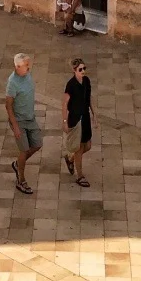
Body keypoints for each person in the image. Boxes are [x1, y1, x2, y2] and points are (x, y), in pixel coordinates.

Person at [5, 53, 42, 195]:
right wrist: (15, 126)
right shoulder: (12, 82)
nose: (29, 67)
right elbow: (8, 105)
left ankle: (18, 164)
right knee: (24, 149)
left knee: (37, 144)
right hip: (19, 120)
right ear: (18, 66)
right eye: (26, 65)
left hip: (30, 118)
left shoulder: (27, 75)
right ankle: (21, 180)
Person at [62, 57, 96, 187]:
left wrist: (94, 114)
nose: (83, 71)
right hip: (76, 119)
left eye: (84, 68)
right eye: (80, 69)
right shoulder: (71, 85)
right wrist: (65, 121)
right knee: (79, 148)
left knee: (87, 146)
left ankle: (70, 159)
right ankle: (80, 176)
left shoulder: (86, 81)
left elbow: (89, 98)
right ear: (74, 70)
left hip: (85, 117)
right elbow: (64, 103)